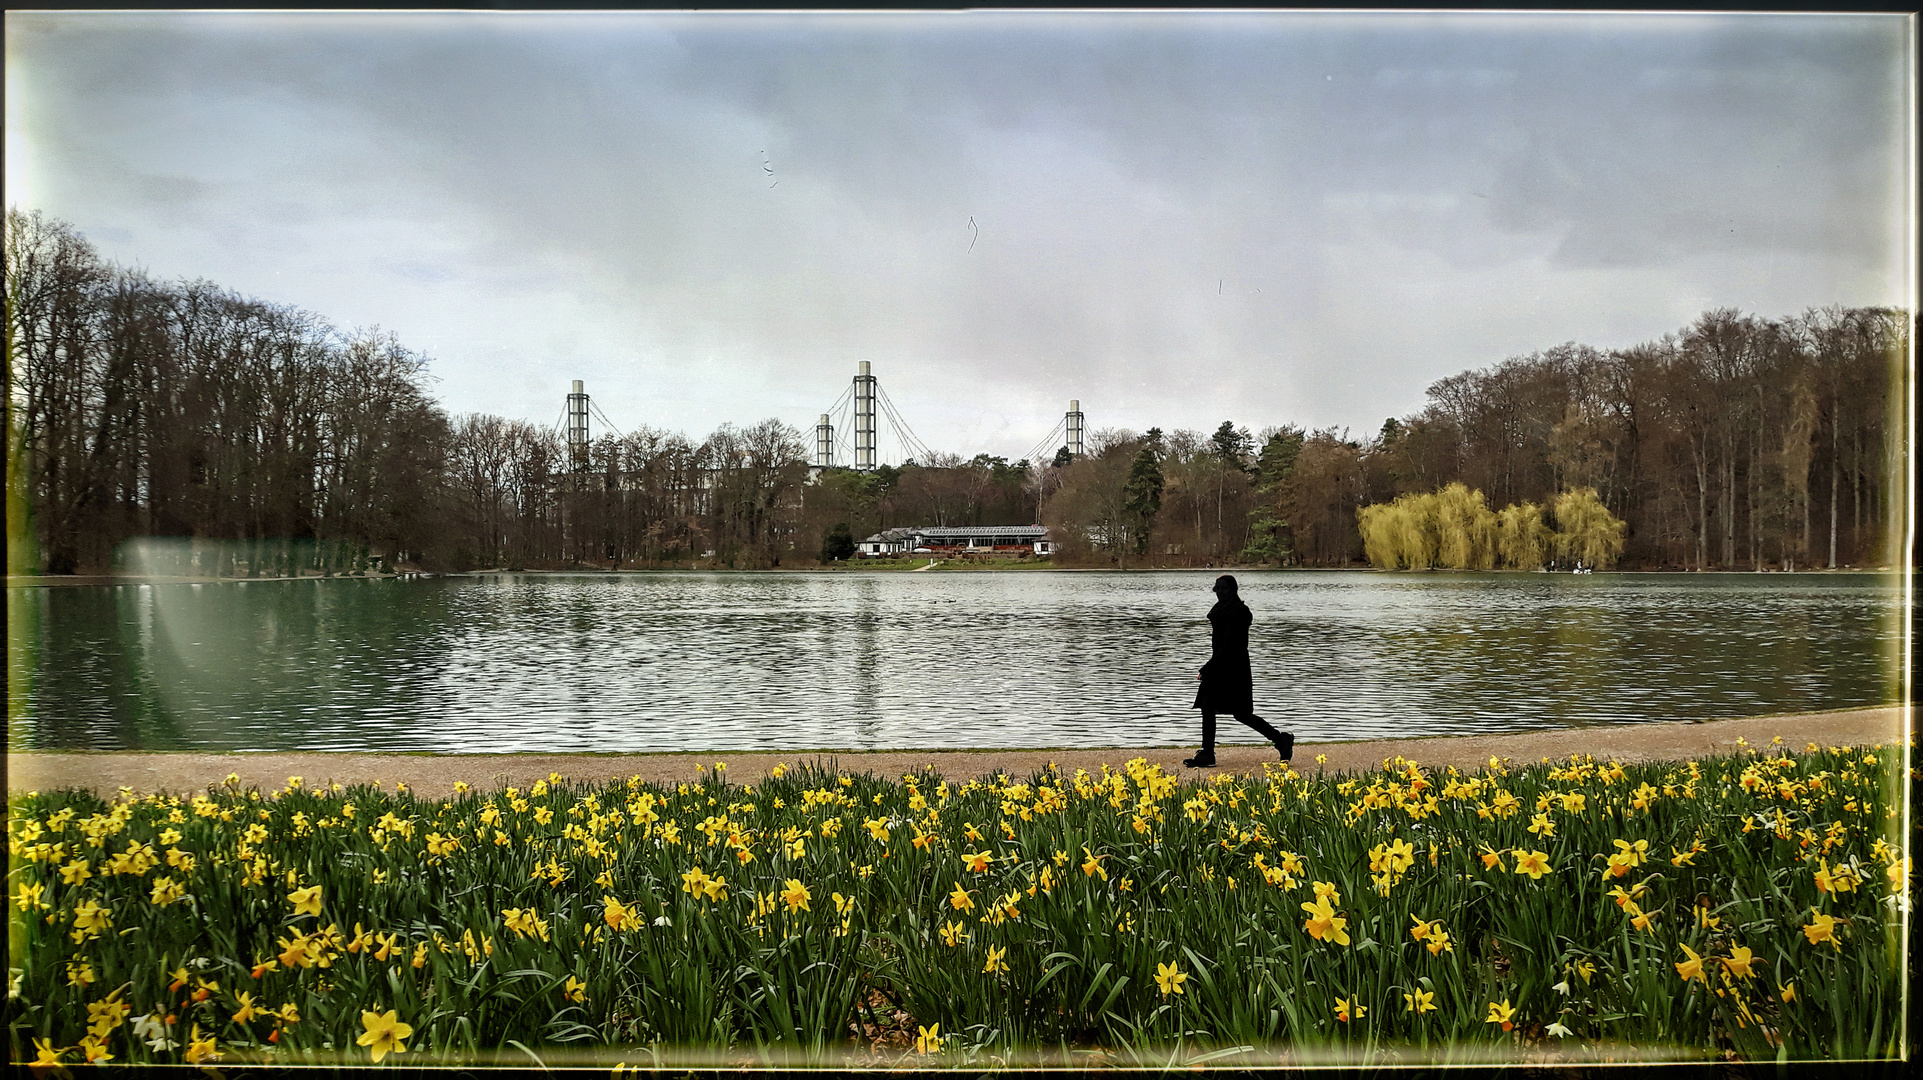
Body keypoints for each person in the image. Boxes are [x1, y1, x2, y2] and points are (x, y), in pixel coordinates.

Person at [1185, 574, 1293, 768]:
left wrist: (1207, 668)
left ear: (1233, 590)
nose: (1219, 592)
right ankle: (1208, 753)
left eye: (1224, 588)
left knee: (1241, 713)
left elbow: (1229, 646)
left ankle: (1280, 739)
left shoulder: (1240, 612)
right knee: (1208, 705)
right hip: (1221, 664)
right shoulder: (1220, 610)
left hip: (1234, 668)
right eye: (1217, 589)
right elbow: (1221, 646)